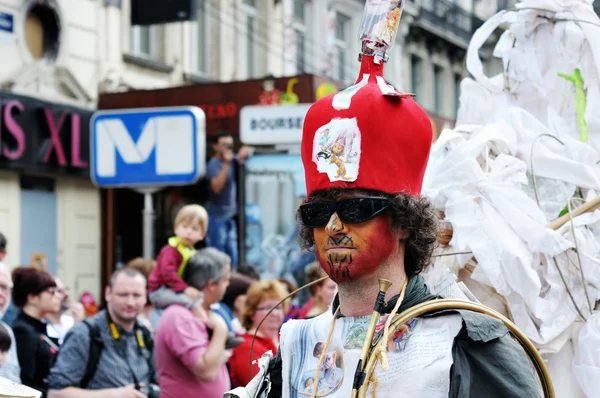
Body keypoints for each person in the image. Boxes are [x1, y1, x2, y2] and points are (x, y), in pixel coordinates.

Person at [226, 5, 541, 397]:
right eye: (318, 213)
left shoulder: (461, 341)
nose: (334, 226)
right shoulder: (296, 346)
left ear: (405, 221)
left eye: (356, 208)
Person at [47, 267, 156, 398]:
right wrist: (114, 395)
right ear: (108, 293)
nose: (130, 302)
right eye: (123, 295)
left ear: (145, 296)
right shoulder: (85, 334)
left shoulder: (145, 334)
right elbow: (55, 393)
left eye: (136, 295)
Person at [153, 248, 232, 398]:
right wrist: (221, 329)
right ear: (211, 284)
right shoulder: (180, 316)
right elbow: (206, 371)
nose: (228, 284)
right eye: (225, 280)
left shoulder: (204, 312)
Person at [147, 204, 208, 315]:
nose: (189, 232)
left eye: (194, 228)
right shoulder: (171, 250)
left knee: (201, 297)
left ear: (202, 234)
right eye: (185, 226)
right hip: (160, 291)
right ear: (176, 228)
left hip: (173, 289)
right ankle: (201, 320)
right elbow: (168, 273)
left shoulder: (190, 251)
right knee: (191, 302)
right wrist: (185, 289)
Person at [205, 132, 253, 268]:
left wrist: (245, 153)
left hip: (230, 216)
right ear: (216, 147)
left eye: (230, 145)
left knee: (232, 255)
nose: (228, 148)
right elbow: (216, 188)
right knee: (217, 256)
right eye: (224, 145)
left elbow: (244, 155)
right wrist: (226, 164)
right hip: (217, 216)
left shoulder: (231, 161)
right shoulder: (214, 164)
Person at [11, 267, 61, 397]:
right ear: (32, 297)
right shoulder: (22, 331)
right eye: (51, 292)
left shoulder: (39, 327)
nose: (57, 296)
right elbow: (25, 382)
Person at [228, 280, 287, 388]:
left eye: (278, 307)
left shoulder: (284, 340)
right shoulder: (246, 346)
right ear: (252, 313)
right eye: (268, 308)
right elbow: (259, 390)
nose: (274, 313)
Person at [46, 278, 85, 345]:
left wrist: (79, 325)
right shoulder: (41, 327)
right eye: (59, 291)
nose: (66, 294)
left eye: (66, 289)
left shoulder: (71, 321)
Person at [0, 263, 20, 383]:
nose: (4, 295)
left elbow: (13, 384)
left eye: (7, 289)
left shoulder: (7, 332)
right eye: (1, 286)